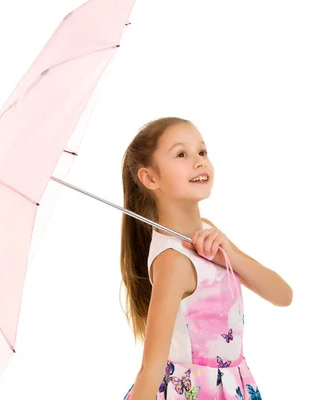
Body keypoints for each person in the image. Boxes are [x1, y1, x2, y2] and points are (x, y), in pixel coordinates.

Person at [119, 117, 293, 400]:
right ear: (150, 178)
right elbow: (150, 369)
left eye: (202, 152)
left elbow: (283, 295)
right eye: (181, 154)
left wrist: (230, 255)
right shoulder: (173, 261)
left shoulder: (209, 233)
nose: (199, 162)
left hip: (234, 385)